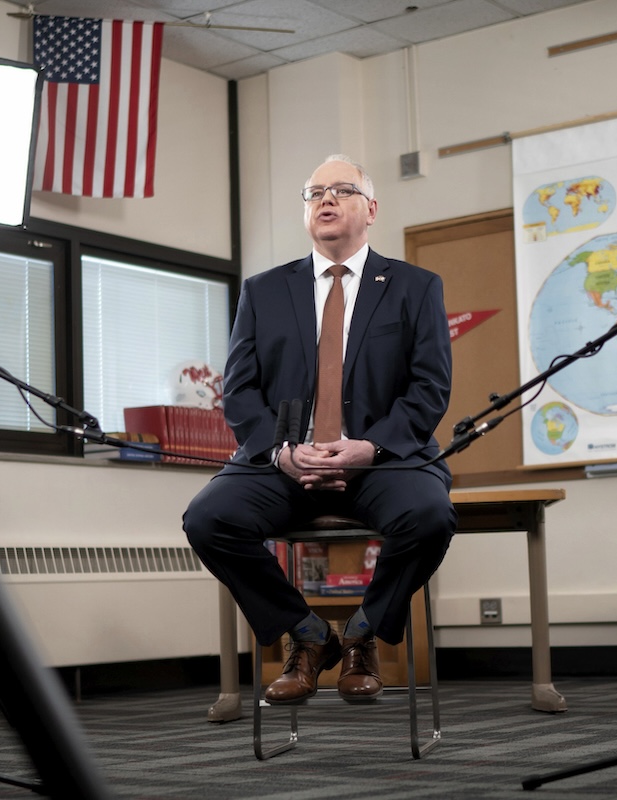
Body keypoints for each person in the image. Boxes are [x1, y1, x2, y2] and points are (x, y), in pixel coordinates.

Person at [184, 154, 456, 704]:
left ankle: (361, 634)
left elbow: (429, 387)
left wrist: (369, 447)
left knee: (429, 517)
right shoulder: (263, 291)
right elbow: (239, 391)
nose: (326, 199)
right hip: (285, 461)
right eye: (314, 193)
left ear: (371, 208)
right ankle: (307, 635)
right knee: (209, 519)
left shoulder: (415, 286)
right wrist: (280, 453)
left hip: (383, 458)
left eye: (342, 190)